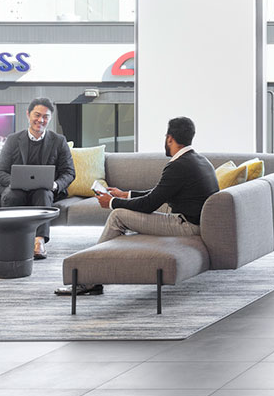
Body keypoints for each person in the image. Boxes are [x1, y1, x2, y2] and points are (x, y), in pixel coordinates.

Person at [58, 116, 217, 297]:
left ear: (169, 138)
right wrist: (126, 194)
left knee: (118, 216)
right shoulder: (200, 160)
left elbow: (149, 205)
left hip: (187, 225)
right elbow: (159, 193)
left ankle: (89, 279)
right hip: (193, 219)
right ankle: (98, 271)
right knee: (128, 209)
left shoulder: (178, 166)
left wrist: (111, 202)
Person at [0, 97, 72, 258]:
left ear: (49, 118)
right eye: (37, 115)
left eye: (45, 117)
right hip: (16, 189)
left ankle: (39, 242)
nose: (40, 120)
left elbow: (69, 172)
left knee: (43, 194)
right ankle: (13, 242)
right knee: (12, 195)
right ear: (28, 114)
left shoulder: (58, 141)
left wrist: (55, 185)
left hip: (44, 190)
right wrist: (16, 182)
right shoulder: (13, 140)